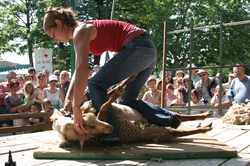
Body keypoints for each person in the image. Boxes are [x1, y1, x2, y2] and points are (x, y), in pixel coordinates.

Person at [43, 7, 205, 141]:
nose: (55, 39)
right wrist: (70, 98)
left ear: (58, 23)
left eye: (53, 34)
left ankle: (111, 135)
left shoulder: (81, 31)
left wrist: (76, 107)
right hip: (148, 50)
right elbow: (78, 70)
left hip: (138, 48)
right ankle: (168, 119)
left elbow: (83, 70)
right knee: (128, 99)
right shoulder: (80, 34)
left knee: (95, 84)